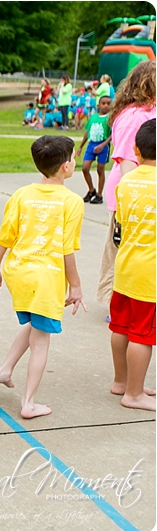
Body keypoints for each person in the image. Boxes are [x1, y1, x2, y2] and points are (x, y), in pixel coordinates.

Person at [0, 136, 86, 419]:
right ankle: (29, 403)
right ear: (67, 166)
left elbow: (5, 236)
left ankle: (5, 369)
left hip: (18, 270)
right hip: (46, 276)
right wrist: (77, 286)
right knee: (42, 338)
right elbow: (67, 249)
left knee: (36, 323)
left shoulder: (21, 194)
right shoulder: (72, 201)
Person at [97, 61, 156, 305]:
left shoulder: (148, 111)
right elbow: (127, 162)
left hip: (147, 192)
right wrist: (135, 197)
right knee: (121, 249)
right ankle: (115, 300)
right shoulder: (134, 116)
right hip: (133, 194)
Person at [109, 119, 156, 411]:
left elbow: (121, 225)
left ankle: (121, 382)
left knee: (121, 327)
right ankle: (135, 394)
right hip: (149, 273)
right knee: (143, 334)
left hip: (125, 266)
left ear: (135, 150)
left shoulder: (126, 181)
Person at [76, 95, 112, 204]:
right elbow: (87, 132)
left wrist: (103, 145)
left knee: (100, 169)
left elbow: (112, 135)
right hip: (92, 144)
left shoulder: (110, 118)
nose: (106, 106)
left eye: (108, 103)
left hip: (103, 145)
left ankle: (99, 195)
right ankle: (91, 190)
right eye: (103, 103)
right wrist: (81, 146)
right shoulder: (93, 117)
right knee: (85, 168)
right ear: (98, 105)